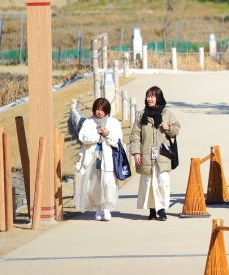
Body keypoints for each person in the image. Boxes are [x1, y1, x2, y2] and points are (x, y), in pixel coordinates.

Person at [129, 86, 180, 221]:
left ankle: (162, 209)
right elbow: (135, 135)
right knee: (148, 182)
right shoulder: (141, 115)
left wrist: (169, 128)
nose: (149, 99)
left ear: (158, 97)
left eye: (152, 96)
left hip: (162, 155)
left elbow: (176, 129)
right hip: (146, 154)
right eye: (148, 96)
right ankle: (152, 210)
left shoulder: (167, 113)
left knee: (163, 181)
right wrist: (135, 152)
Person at [76, 98, 123, 221]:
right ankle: (98, 210)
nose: (100, 112)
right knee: (94, 182)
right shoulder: (89, 121)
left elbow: (118, 142)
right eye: (97, 109)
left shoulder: (114, 123)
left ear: (107, 110)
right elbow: (83, 137)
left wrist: (107, 134)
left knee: (108, 182)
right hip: (93, 156)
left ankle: (107, 208)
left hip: (108, 157)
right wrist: (97, 133)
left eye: (102, 110)